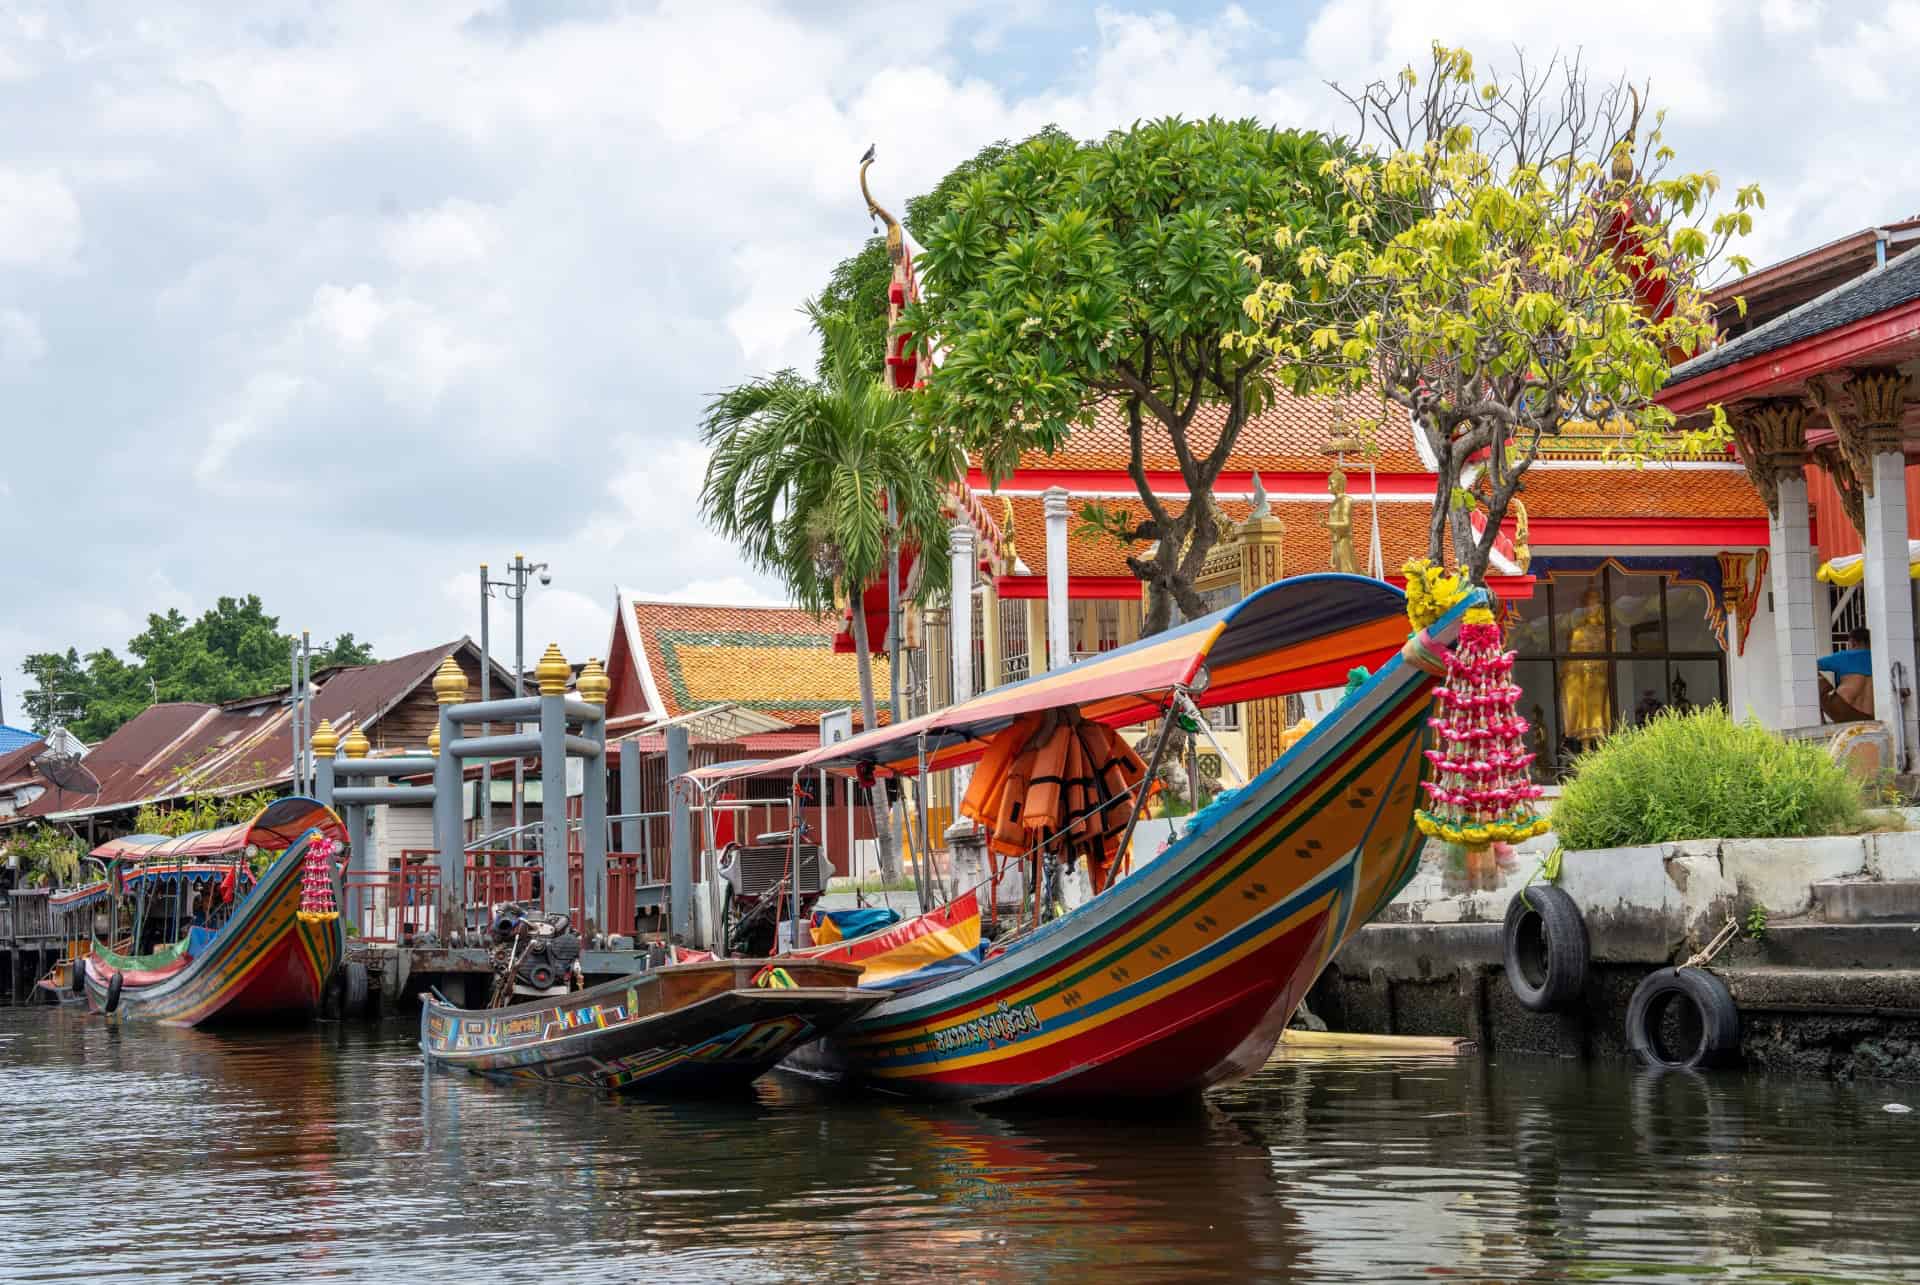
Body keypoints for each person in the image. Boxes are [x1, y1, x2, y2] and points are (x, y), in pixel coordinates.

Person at [1819, 627, 1874, 722]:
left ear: (1852, 642)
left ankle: (1819, 718)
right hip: (1870, 715)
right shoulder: (1879, 657)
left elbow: (1811, 665)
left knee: (1811, 673)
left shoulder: (1845, 656)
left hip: (1843, 710)